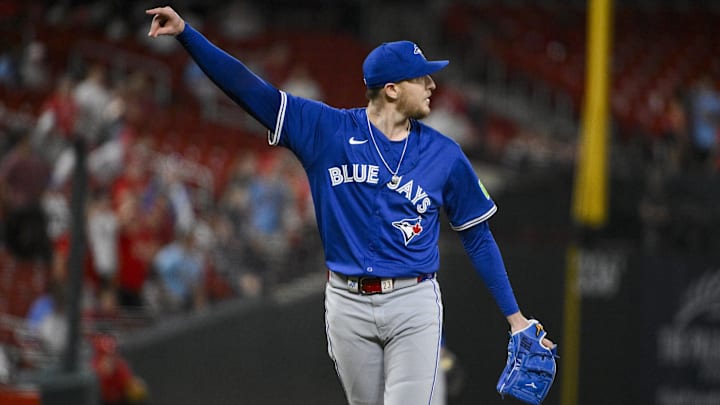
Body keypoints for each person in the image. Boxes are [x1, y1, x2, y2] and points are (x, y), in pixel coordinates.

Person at [146, 7, 554, 405]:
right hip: (346, 303)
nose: (432, 84)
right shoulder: (327, 130)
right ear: (392, 89)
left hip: (414, 302)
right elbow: (249, 89)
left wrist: (515, 318)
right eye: (421, 77)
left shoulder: (445, 155)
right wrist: (187, 34)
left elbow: (478, 238)